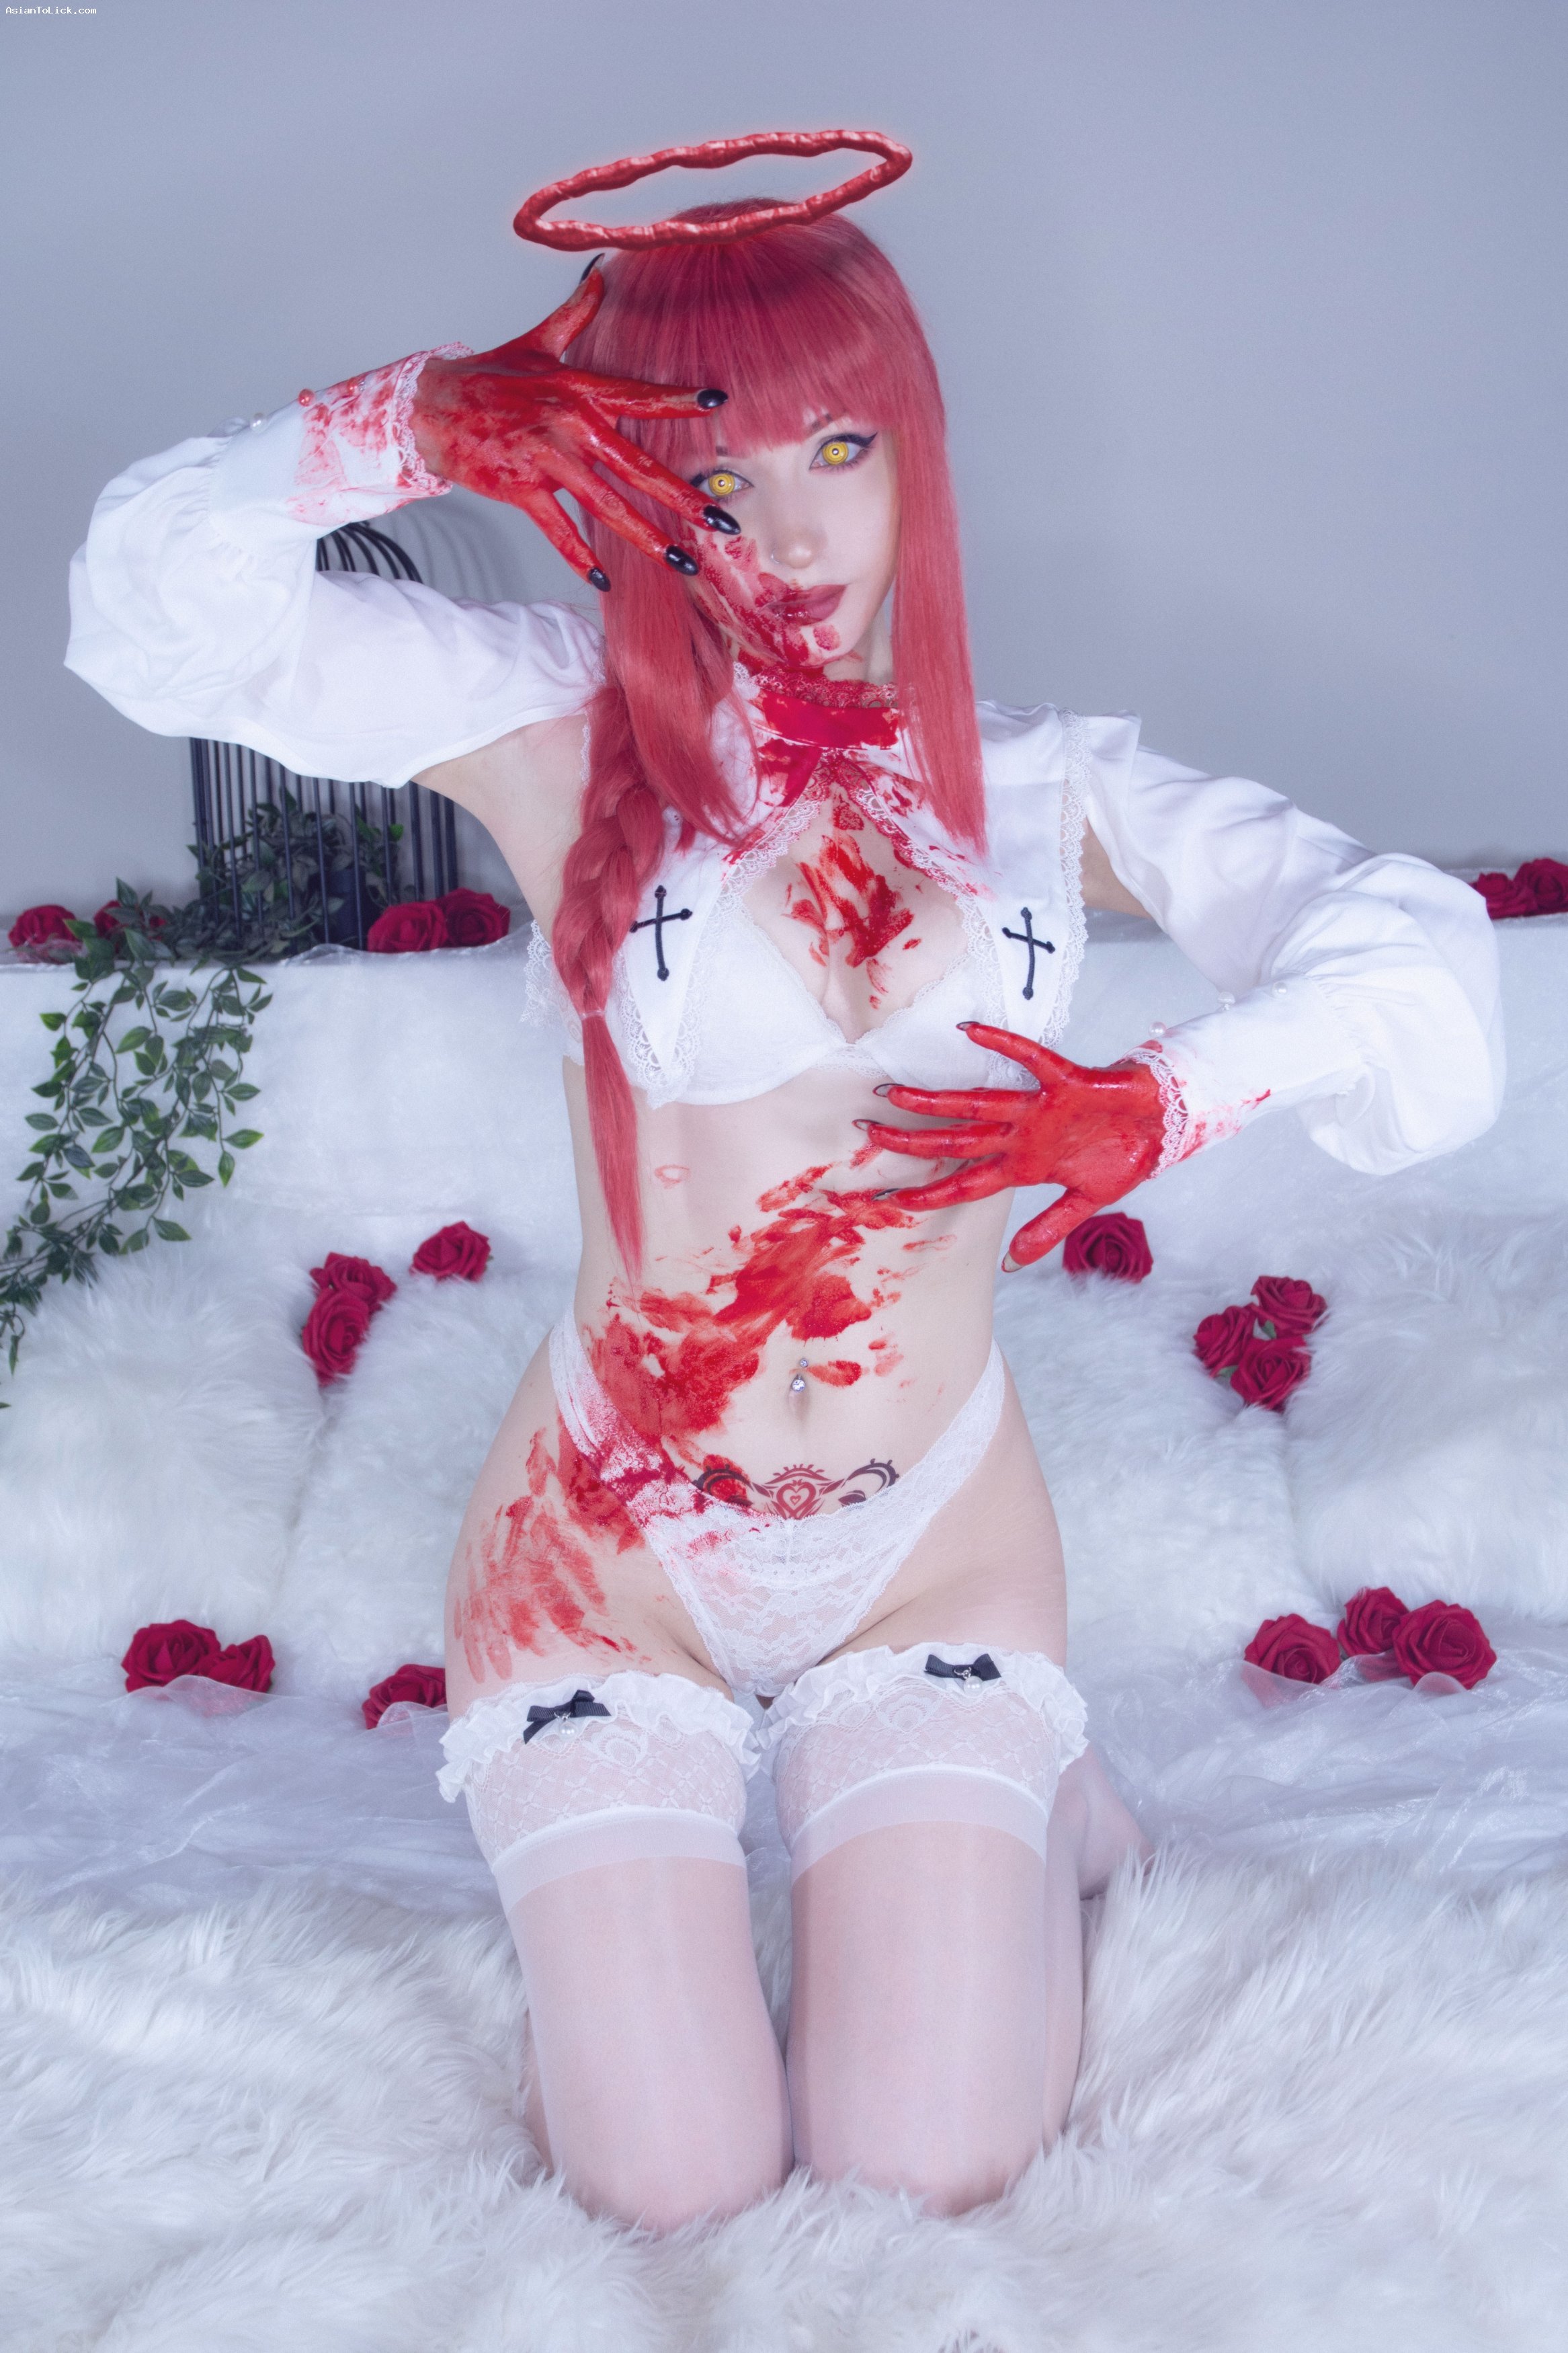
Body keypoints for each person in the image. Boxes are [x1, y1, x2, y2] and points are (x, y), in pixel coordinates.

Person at [66, 141, 1502, 2233]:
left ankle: (1033, 1792)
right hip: (603, 1552)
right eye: (718, 479)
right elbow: (151, 619)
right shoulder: (551, 726)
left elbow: (1420, 964)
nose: (797, 528)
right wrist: (418, 421)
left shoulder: (1054, 786)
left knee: (920, 2166)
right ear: (642, 499)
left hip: (928, 1549)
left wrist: (1166, 1099)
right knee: (673, 2184)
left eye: (842, 449)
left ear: (917, 455)